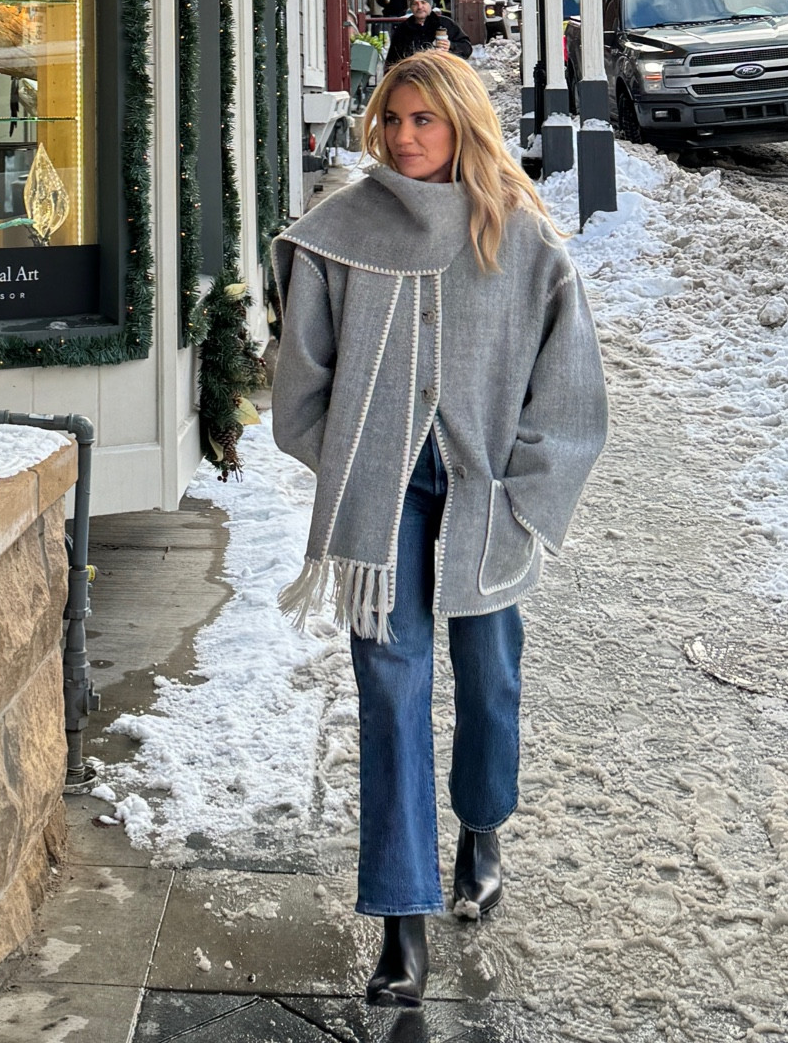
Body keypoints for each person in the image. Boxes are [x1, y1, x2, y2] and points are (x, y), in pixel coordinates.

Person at [271, 55, 607, 1006]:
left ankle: (483, 826)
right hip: (381, 511)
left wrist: (526, 497)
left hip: (483, 499)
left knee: (491, 678)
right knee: (391, 692)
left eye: (426, 120)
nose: (406, 137)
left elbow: (570, 387)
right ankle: (402, 920)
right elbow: (298, 387)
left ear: (462, 125)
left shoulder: (521, 237)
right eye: (393, 119)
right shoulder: (338, 236)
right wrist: (351, 460)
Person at [384, 0, 471, 68]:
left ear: (430, 4)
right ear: (410, 7)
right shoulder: (402, 30)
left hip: (442, 77)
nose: (420, 7)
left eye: (423, 2)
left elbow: (467, 48)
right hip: (412, 79)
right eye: (415, 3)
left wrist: (451, 46)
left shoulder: (445, 24)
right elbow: (391, 63)